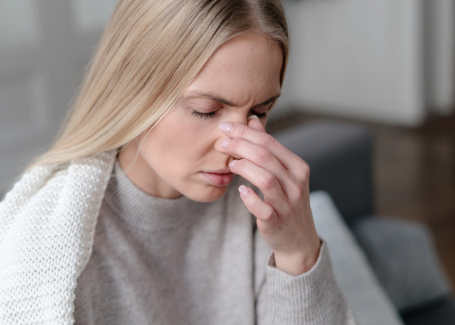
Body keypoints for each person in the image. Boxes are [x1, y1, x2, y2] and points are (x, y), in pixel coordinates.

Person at [0, 0, 358, 324]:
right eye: (207, 111)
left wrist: (298, 252)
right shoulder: (47, 254)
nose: (237, 145)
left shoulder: (258, 204)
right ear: (133, 93)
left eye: (259, 111)